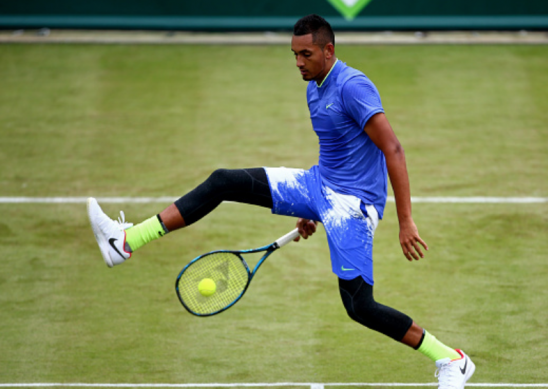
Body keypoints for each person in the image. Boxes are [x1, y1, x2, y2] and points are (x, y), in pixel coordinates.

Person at [87, 14, 475, 388]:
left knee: (360, 306)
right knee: (224, 181)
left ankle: (451, 359)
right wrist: (312, 208)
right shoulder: (313, 88)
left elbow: (393, 149)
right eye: (293, 54)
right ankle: (127, 241)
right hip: (318, 185)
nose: (298, 62)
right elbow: (338, 154)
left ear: (328, 51)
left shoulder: (353, 87)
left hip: (352, 207)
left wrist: (405, 220)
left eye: (305, 54)